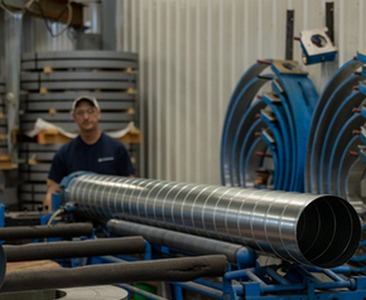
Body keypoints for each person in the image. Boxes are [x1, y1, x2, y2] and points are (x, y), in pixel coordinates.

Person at [43, 95, 135, 211]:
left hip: (110, 218)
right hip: (76, 220)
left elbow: (131, 189)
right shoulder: (64, 154)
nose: (86, 117)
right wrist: (48, 220)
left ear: (98, 114)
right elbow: (52, 192)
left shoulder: (116, 149)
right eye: (80, 113)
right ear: (74, 117)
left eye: (90, 111)